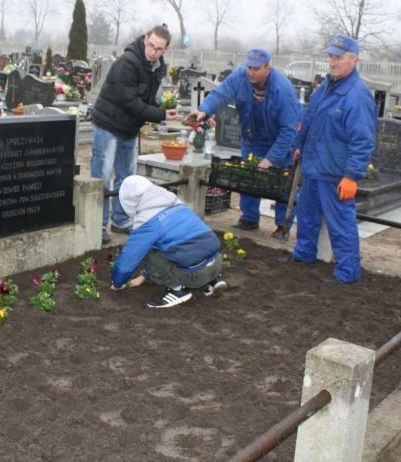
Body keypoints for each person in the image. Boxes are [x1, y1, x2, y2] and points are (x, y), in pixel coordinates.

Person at [280, 34, 377, 285]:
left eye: (339, 58)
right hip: (313, 165)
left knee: (341, 223)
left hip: (335, 172)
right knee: (307, 214)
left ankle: (348, 272)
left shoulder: (357, 96)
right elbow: (310, 120)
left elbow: (362, 140)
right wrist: (299, 146)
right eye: (331, 57)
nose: (333, 62)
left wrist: (351, 176)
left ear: (354, 61)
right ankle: (304, 254)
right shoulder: (326, 87)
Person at [187, 48, 301, 238]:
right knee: (249, 175)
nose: (251, 72)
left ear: (268, 68)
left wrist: (271, 159)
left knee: (283, 180)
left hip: (279, 136)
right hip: (252, 134)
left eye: (256, 68)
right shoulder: (240, 76)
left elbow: (288, 131)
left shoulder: (284, 90)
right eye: (249, 67)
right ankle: (249, 218)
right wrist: (204, 111)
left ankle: (283, 225)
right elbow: (221, 94)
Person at [90, 25, 178, 246]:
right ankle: (97, 225)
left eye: (158, 49)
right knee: (102, 176)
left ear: (165, 49)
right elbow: (129, 101)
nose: (152, 52)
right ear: (145, 39)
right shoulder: (128, 62)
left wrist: (161, 107)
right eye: (150, 45)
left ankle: (121, 220)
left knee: (127, 179)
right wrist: (161, 115)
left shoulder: (157, 67)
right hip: (108, 125)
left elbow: (145, 99)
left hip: (128, 129)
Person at [110, 175, 226, 309]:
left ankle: (177, 291)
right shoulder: (175, 202)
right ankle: (214, 280)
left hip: (194, 275)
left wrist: (118, 283)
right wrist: (144, 276)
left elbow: (128, 259)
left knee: (146, 250)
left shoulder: (145, 222)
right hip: (217, 263)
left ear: (129, 201)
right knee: (186, 244)